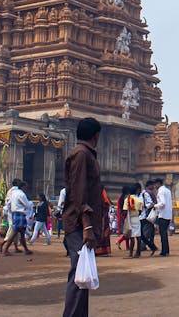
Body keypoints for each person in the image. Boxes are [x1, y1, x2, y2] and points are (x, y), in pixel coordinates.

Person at [62, 117, 104, 317]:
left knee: (82, 276)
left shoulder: (85, 154)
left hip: (81, 223)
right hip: (79, 224)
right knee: (78, 277)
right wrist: (87, 226)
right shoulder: (81, 155)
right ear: (96, 136)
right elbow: (79, 192)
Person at [2, 181, 32, 256]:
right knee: (15, 231)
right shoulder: (21, 194)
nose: (26, 189)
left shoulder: (13, 193)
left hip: (14, 213)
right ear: (23, 187)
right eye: (26, 187)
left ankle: (26, 249)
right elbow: (27, 205)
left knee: (22, 232)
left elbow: (8, 203)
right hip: (20, 213)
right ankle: (5, 249)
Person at [155, 178, 173, 256]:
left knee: (163, 234)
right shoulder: (168, 190)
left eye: (155, 184)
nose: (155, 186)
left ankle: (164, 251)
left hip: (162, 215)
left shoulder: (161, 191)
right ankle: (166, 250)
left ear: (158, 184)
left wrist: (154, 206)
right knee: (164, 233)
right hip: (168, 214)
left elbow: (162, 203)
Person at [136, 181, 154, 256]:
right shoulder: (135, 196)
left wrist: (144, 206)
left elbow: (151, 203)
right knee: (141, 234)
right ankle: (151, 246)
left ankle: (142, 247)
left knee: (143, 234)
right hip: (137, 217)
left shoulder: (144, 194)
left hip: (144, 216)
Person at [93, 189, 112, 256]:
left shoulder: (101, 192)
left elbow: (106, 204)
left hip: (101, 217)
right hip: (97, 216)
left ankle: (101, 250)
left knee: (102, 233)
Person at [115, 185, 131, 253]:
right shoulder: (126, 197)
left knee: (127, 231)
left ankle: (127, 246)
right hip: (126, 215)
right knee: (128, 231)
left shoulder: (121, 197)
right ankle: (119, 241)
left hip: (122, 215)